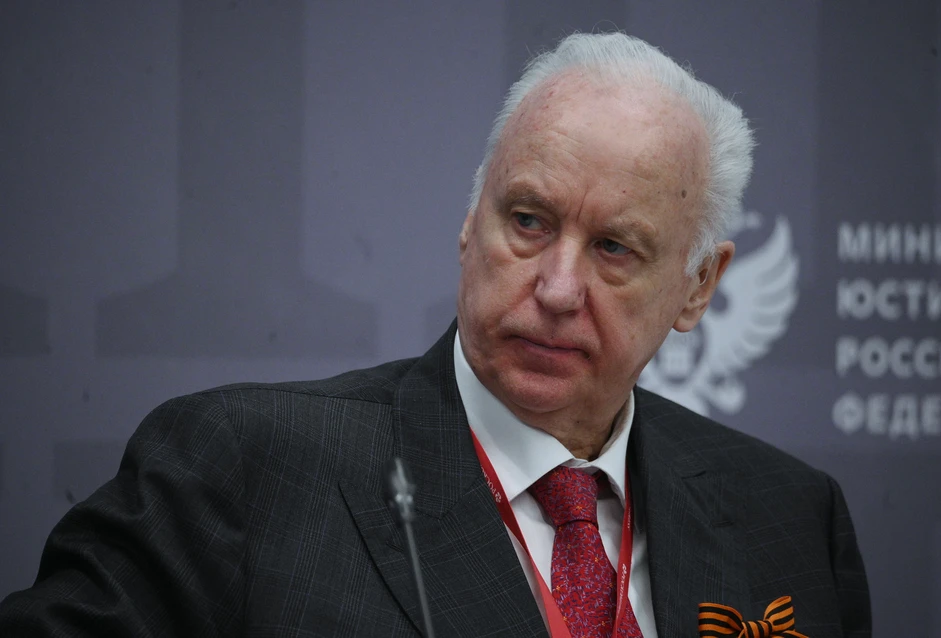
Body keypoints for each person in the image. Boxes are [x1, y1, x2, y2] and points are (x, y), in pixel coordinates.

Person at [0, 32, 870, 637]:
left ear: (698, 286)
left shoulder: (789, 518)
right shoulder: (243, 470)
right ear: (468, 221)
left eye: (614, 248)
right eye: (527, 221)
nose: (556, 289)